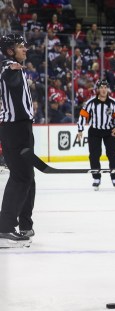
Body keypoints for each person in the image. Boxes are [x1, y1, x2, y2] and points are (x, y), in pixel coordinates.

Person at [0, 34, 35, 248]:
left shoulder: (14, 66)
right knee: (21, 176)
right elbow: (6, 71)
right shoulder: (7, 67)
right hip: (14, 129)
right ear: (10, 50)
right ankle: (4, 227)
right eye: (21, 46)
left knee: (28, 177)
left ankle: (24, 224)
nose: (26, 49)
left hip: (22, 128)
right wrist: (12, 67)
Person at [76, 79, 115, 191]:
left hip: (109, 131)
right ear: (97, 89)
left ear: (107, 89)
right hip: (94, 131)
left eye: (105, 87)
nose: (103, 89)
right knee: (94, 155)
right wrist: (80, 129)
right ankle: (96, 178)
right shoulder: (90, 103)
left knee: (113, 155)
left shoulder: (113, 103)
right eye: (101, 87)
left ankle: (114, 177)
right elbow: (83, 116)